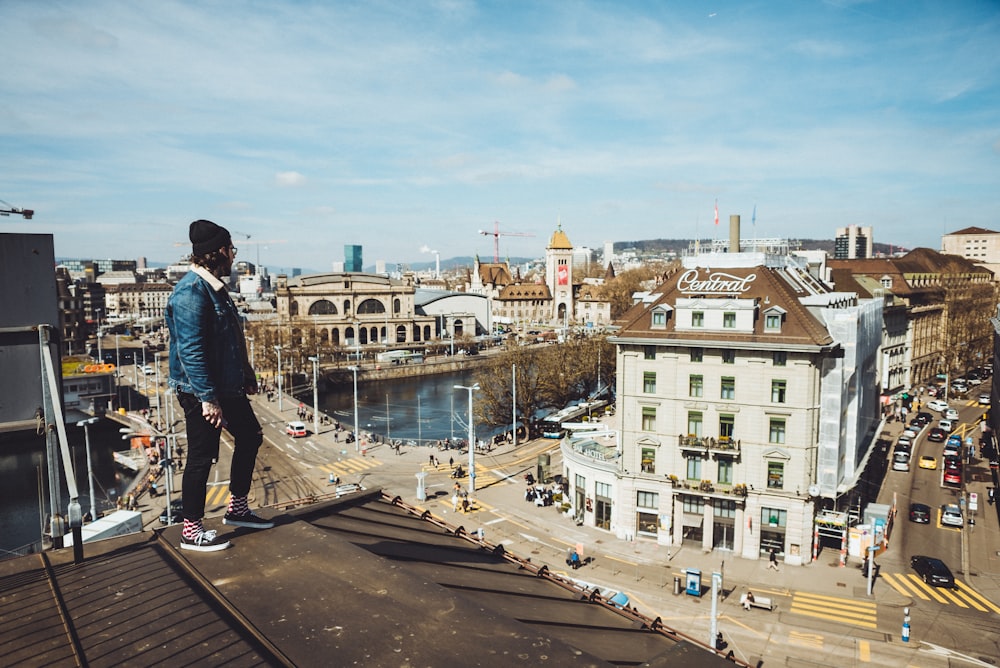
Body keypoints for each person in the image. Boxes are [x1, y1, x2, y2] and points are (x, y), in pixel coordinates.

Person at [166, 219, 274, 552]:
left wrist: (246, 374)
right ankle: (191, 531)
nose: (234, 256)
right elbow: (191, 351)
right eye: (231, 250)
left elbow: (233, 339)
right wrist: (207, 399)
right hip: (202, 391)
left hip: (226, 386)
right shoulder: (190, 293)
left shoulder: (216, 289)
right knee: (202, 457)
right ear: (219, 253)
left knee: (250, 436)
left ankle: (237, 510)